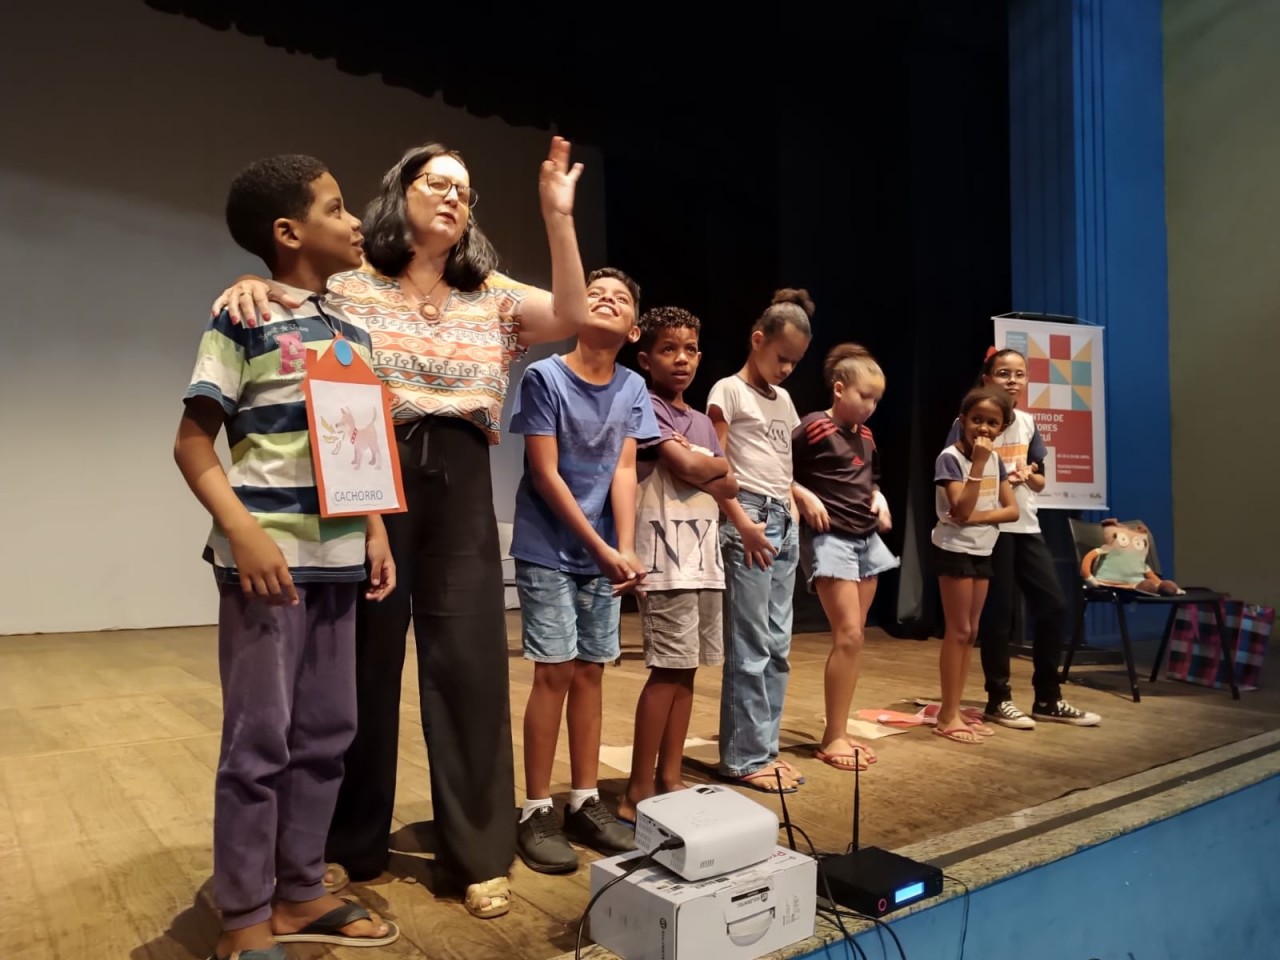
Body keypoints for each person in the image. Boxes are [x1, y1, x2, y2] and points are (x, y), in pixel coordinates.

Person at [211, 137, 590, 919]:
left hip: (459, 475)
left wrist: (559, 218)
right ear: (402, 192)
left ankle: (479, 852)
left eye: (466, 189)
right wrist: (250, 280)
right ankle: (349, 845)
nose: (453, 196)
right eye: (436, 182)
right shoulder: (348, 285)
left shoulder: (490, 293)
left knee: (471, 666)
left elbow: (573, 316)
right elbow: (284, 292)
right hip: (367, 476)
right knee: (361, 669)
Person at [175, 155, 399, 960]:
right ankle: (243, 913)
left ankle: (301, 890)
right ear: (288, 231)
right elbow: (193, 441)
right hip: (268, 572)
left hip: (338, 562)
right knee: (259, 739)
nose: (355, 223)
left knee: (328, 732)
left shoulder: (353, 333)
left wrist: (373, 530)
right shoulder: (242, 319)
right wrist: (243, 530)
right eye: (337, 209)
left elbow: (358, 452)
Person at [508, 267, 657, 873]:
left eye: (620, 297)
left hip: (602, 553)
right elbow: (545, 474)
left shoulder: (633, 388)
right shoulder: (545, 376)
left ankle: (585, 799)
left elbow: (624, 471)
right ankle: (536, 807)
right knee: (555, 671)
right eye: (595, 293)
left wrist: (624, 547)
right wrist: (600, 546)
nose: (605, 300)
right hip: (549, 545)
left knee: (593, 672)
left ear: (634, 328)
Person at [620, 306, 738, 823]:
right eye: (668, 349)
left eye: (690, 349)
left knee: (687, 672)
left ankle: (670, 777)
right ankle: (636, 790)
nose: (681, 358)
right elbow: (691, 466)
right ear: (645, 359)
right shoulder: (643, 405)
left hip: (702, 559)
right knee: (665, 672)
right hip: (664, 560)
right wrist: (700, 463)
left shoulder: (699, 421)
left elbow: (728, 480)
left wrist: (704, 463)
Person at [949, 348, 1100, 728]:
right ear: (986, 378)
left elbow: (1041, 478)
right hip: (989, 528)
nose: (1012, 381)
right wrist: (994, 472)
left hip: (1026, 525)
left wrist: (1027, 475)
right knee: (999, 617)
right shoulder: (971, 421)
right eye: (1003, 373)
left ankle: (1048, 698)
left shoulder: (1029, 424)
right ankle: (998, 699)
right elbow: (957, 471)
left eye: (1020, 374)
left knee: (1054, 606)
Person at [707, 289, 814, 793]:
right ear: (758, 341)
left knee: (777, 645)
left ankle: (765, 750)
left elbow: (780, 466)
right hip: (748, 517)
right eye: (781, 357)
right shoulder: (727, 390)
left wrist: (797, 500)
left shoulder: (786, 401)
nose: (787, 369)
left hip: (782, 520)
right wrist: (740, 521)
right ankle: (744, 756)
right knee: (750, 644)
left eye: (795, 362)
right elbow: (718, 467)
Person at [791, 344, 898, 771]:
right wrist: (801, 494)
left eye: (876, 400)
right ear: (839, 389)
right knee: (848, 634)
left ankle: (839, 728)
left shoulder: (867, 437)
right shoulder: (814, 426)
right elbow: (779, 467)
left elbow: (868, 479)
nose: (870, 407)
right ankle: (833, 736)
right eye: (864, 396)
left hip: (865, 539)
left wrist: (880, 498)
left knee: (855, 640)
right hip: (830, 538)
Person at [930, 387, 1020, 744]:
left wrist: (980, 516)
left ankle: (953, 711)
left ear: (1002, 428)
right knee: (957, 630)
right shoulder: (949, 458)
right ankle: (947, 715)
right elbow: (959, 510)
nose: (983, 429)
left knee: (971, 631)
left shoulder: (997, 461)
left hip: (983, 548)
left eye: (992, 423)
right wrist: (979, 463)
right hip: (953, 547)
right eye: (977, 420)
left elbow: (1011, 510)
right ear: (963, 420)